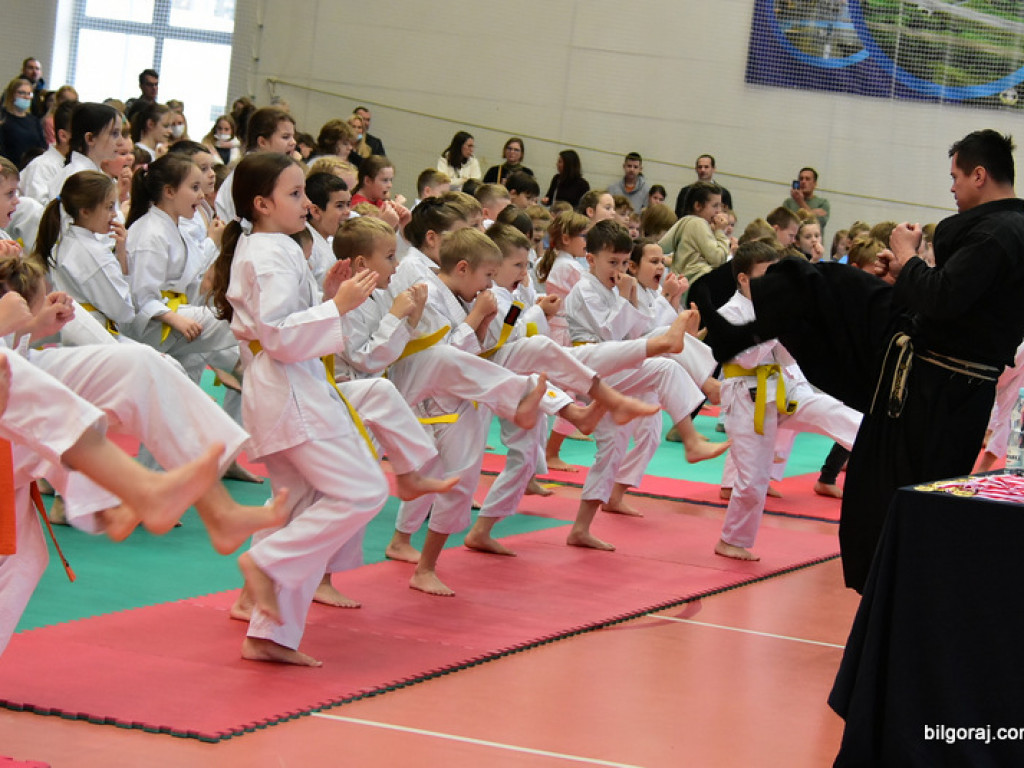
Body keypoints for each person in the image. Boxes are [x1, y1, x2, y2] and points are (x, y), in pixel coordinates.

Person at [705, 129, 1024, 593]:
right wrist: (904, 276)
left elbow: (944, 299)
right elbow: (960, 307)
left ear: (979, 174)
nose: (951, 187)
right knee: (836, 292)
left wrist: (908, 256)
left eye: (955, 176)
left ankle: (752, 321)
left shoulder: (998, 233)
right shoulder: (1004, 230)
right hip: (944, 386)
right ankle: (748, 326)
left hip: (933, 390)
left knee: (830, 289)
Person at [207, 152, 391, 666]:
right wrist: (338, 307)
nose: (306, 204)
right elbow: (282, 335)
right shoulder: (267, 252)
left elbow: (286, 320)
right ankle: (268, 561)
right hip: (290, 394)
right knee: (364, 490)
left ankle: (271, 634)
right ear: (262, 203)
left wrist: (328, 294)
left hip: (284, 391)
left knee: (301, 508)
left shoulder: (273, 247)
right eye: (294, 194)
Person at [715, 241, 860, 561]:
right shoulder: (729, 312)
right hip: (746, 397)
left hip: (784, 387)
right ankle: (731, 540)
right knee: (753, 481)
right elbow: (747, 358)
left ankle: (881, 443)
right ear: (743, 278)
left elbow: (791, 354)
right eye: (765, 274)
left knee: (837, 413)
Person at [658, 181, 732, 287]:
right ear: (698, 206)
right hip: (697, 281)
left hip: (681, 281)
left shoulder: (684, 221)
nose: (719, 211)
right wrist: (720, 231)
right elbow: (718, 259)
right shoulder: (699, 223)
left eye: (720, 206)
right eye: (715, 206)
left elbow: (661, 247)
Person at [0, 78, 45, 169]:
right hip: (9, 169)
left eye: (29, 94)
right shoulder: (3, 118)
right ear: (12, 95)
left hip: (31, 168)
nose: (26, 97)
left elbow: (41, 146)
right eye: (21, 93)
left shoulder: (34, 121)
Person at [783, 166, 830, 233]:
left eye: (807, 179)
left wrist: (800, 202)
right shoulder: (788, 203)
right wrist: (813, 212)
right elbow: (784, 224)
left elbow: (820, 223)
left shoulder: (823, 203)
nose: (803, 182)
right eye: (801, 179)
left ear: (815, 184)